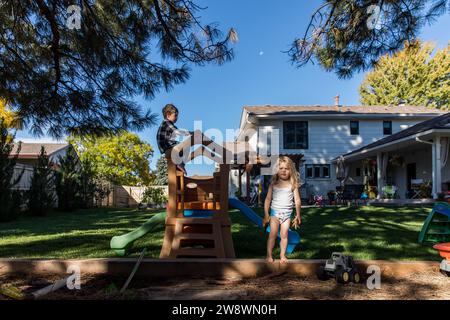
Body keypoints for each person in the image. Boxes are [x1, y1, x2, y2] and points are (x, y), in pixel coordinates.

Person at [263, 156, 301, 263]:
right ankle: (269, 255)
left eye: (286, 168)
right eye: (281, 168)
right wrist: (266, 214)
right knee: (273, 234)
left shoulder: (293, 185)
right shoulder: (273, 185)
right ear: (277, 170)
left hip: (287, 214)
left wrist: (298, 214)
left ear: (291, 171)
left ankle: (282, 255)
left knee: (284, 235)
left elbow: (297, 200)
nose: (284, 171)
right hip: (275, 213)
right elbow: (267, 199)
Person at [156, 104, 191, 175]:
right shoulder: (167, 123)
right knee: (186, 146)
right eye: (175, 115)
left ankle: (179, 163)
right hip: (167, 146)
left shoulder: (167, 124)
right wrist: (190, 133)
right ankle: (181, 164)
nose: (177, 117)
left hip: (166, 146)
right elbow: (178, 132)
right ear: (168, 115)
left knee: (183, 147)